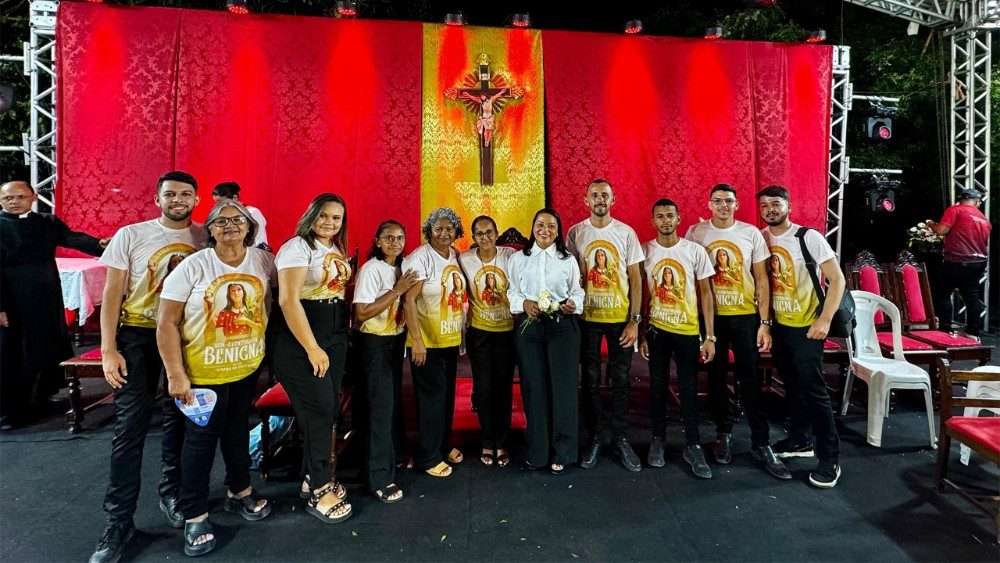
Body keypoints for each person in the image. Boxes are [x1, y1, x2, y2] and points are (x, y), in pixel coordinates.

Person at [89, 171, 206, 563]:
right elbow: (112, 293)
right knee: (130, 428)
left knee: (180, 419)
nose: (178, 200)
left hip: (186, 337)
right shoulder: (131, 235)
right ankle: (118, 520)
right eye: (170, 194)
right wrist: (108, 348)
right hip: (138, 336)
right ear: (157, 199)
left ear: (197, 199)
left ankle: (172, 492)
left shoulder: (206, 236)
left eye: (186, 194)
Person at [158, 200, 275, 556]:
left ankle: (239, 489)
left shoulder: (262, 261)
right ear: (209, 229)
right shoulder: (194, 265)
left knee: (237, 429)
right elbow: (166, 323)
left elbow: (268, 304)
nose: (230, 225)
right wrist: (175, 374)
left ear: (249, 226)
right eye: (221, 221)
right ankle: (194, 512)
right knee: (200, 440)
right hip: (202, 372)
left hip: (245, 367)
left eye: (238, 220)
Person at [685, 183, 787, 479]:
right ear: (709, 204)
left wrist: (765, 322)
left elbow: (762, 279)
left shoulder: (750, 233)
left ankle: (761, 442)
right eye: (717, 201)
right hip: (711, 319)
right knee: (716, 378)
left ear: (737, 205)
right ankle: (723, 433)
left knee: (750, 378)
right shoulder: (696, 232)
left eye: (728, 201)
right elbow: (689, 274)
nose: (723, 206)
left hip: (745, 317)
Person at [272, 193, 356, 522]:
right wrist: (311, 347)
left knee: (327, 408)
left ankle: (313, 476)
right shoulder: (297, 247)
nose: (329, 222)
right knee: (319, 409)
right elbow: (288, 301)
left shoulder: (335, 248)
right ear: (311, 215)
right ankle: (321, 488)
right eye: (323, 215)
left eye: (336, 218)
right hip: (302, 340)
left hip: (334, 334)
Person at [0, 180, 107, 429]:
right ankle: (9, 411)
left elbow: (72, 238)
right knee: (13, 353)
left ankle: (40, 398)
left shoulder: (47, 222)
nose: (14, 202)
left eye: (20, 197)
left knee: (45, 346)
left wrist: (101, 244)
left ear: (33, 197)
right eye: (8, 198)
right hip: (11, 299)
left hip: (46, 298)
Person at [757, 185, 845, 488]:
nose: (770, 209)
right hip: (779, 325)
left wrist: (824, 320)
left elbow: (837, 280)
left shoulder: (808, 237)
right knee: (792, 386)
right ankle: (800, 439)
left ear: (788, 206)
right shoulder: (761, 238)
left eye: (776, 203)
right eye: (765, 205)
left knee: (814, 392)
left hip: (807, 326)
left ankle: (830, 459)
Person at [566, 179, 644, 472]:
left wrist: (635, 321)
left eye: (605, 195)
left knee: (621, 380)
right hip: (587, 320)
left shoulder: (626, 233)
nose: (600, 199)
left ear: (614, 200)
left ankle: (621, 438)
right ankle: (595, 437)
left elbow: (636, 279)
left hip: (619, 320)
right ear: (586, 200)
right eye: (595, 195)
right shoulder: (576, 232)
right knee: (589, 381)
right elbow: (570, 274)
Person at [639, 199, 720, 479]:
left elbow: (706, 294)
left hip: (687, 331)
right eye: (660, 216)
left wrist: (709, 336)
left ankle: (693, 445)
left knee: (688, 389)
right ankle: (658, 439)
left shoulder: (694, 251)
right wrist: (643, 334)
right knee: (657, 388)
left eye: (670, 216)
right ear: (653, 221)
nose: (665, 220)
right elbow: (642, 294)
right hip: (657, 331)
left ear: (679, 218)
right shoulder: (646, 251)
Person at [507, 208, 585, 474]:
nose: (545, 230)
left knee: (563, 390)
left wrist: (573, 304)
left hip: (562, 327)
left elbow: (577, 291)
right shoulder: (519, 259)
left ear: (558, 231)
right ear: (532, 227)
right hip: (529, 327)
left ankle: (563, 451)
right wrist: (523, 303)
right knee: (534, 389)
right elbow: (512, 292)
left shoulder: (567, 259)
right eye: (540, 224)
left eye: (551, 226)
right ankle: (537, 451)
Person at [354, 220, 419, 502]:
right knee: (379, 409)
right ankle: (378, 478)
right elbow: (361, 313)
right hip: (374, 344)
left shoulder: (401, 268)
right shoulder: (371, 269)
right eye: (389, 238)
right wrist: (397, 291)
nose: (395, 243)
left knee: (391, 405)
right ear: (378, 241)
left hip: (393, 341)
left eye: (400, 238)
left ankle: (395, 457)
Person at [402, 208, 467, 478]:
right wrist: (417, 341)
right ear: (428, 231)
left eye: (449, 229)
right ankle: (428, 457)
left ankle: (443, 444)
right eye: (438, 229)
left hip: (448, 337)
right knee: (431, 399)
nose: (444, 233)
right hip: (426, 341)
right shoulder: (420, 258)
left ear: (456, 232)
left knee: (446, 395)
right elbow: (408, 300)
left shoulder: (454, 255)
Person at [458, 215, 517, 467]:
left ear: (497, 233)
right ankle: (486, 440)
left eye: (490, 232)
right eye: (480, 233)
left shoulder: (510, 256)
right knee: (483, 388)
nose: (485, 237)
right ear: (474, 237)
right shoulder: (464, 259)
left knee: (503, 387)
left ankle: (501, 442)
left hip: (507, 331)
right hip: (479, 332)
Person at [925, 188, 992, 336]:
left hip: (958, 260)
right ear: (977, 202)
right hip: (978, 262)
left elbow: (942, 230)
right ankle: (973, 332)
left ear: (961, 200)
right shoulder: (984, 219)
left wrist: (931, 224)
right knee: (971, 296)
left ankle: (945, 329)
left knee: (942, 294)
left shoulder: (955, 210)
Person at [212, 182, 268, 248]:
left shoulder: (253, 212)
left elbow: (260, 240)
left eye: (222, 203)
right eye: (216, 204)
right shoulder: (222, 216)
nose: (219, 207)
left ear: (234, 198)